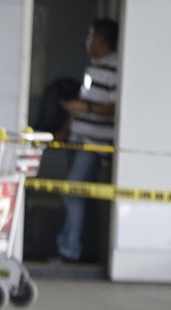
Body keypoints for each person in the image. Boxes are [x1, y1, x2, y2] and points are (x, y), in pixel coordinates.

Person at [55, 18, 119, 263]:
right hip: (78, 138)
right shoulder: (93, 65)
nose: (87, 41)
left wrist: (87, 108)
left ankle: (69, 250)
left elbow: (113, 106)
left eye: (90, 36)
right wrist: (66, 127)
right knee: (83, 196)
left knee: (73, 192)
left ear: (100, 40)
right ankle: (86, 249)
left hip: (95, 144)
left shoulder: (116, 68)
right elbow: (83, 101)